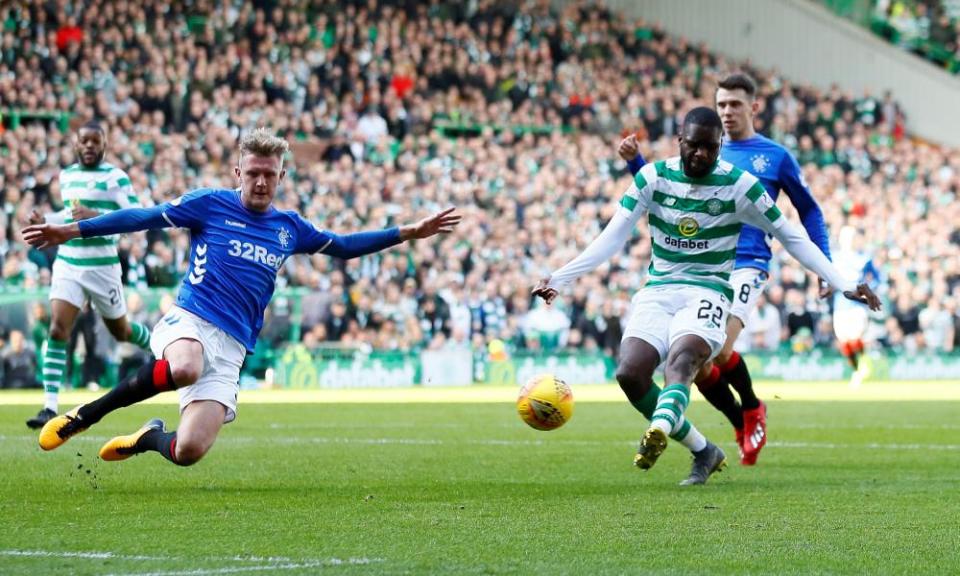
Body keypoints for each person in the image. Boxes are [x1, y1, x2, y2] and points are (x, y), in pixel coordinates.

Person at [22, 127, 461, 466]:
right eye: (253, 173)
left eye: (270, 174)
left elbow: (344, 245)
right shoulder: (209, 204)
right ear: (238, 173)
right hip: (189, 320)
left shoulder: (290, 228)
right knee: (186, 366)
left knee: (188, 450)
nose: (261, 182)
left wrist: (408, 232)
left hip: (232, 346)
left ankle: (147, 437)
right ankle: (87, 415)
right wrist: (71, 229)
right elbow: (141, 217)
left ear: (282, 175)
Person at [534, 107, 879, 479]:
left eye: (710, 148)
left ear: (720, 147)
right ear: (680, 141)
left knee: (682, 361)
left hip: (709, 291)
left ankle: (660, 431)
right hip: (659, 289)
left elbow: (791, 236)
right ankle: (704, 450)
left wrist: (843, 283)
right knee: (630, 374)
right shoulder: (652, 177)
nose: (700, 154)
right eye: (693, 145)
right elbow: (611, 237)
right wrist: (559, 278)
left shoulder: (741, 185)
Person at [619, 73, 835, 466]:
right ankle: (738, 419)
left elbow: (808, 209)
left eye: (735, 104)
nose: (727, 111)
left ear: (753, 107)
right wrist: (636, 163)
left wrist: (825, 264)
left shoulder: (774, 157)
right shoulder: (701, 148)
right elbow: (665, 194)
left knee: (719, 353)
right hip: (694, 265)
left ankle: (751, 408)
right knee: (698, 367)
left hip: (745, 264)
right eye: (721, 105)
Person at [25, 120, 153, 430]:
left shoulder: (116, 178)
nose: (89, 146)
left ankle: (160, 345)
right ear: (76, 144)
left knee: (121, 332)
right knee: (58, 329)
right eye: (84, 141)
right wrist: (48, 220)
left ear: (105, 144)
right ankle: (49, 407)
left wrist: (96, 216)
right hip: (69, 262)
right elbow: (69, 217)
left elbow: (137, 217)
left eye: (96, 141)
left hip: (102, 267)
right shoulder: (67, 176)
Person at [831, 226, 882, 388]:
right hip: (839, 305)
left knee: (855, 336)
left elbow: (877, 278)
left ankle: (862, 364)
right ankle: (857, 368)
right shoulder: (834, 257)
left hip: (856, 305)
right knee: (844, 340)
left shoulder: (864, 259)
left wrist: (866, 290)